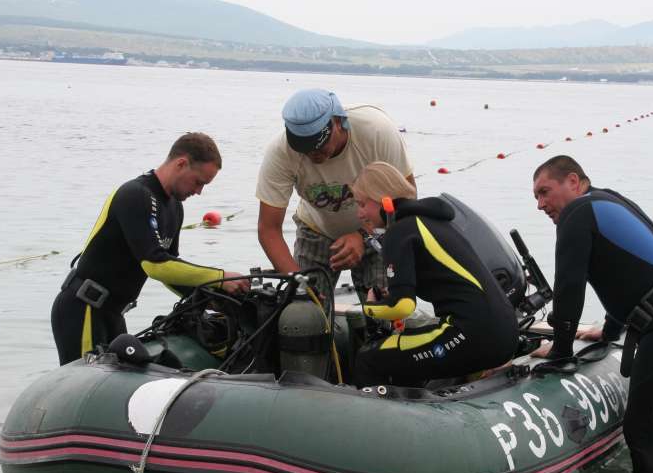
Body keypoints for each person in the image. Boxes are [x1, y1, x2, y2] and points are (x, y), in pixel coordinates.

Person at [531, 155, 653, 473]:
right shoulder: (603, 202)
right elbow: (625, 272)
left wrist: (561, 352)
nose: (540, 204)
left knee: (643, 435)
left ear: (574, 182)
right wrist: (608, 331)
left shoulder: (576, 213)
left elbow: (569, 286)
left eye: (544, 191)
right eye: (536, 196)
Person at [51, 132, 249, 365]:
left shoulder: (175, 208)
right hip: (83, 308)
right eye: (199, 182)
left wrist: (212, 299)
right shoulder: (135, 195)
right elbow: (155, 265)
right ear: (181, 163)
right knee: (81, 387)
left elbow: (171, 269)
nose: (198, 192)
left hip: (113, 313)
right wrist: (220, 277)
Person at [350, 162, 518, 387]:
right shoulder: (431, 221)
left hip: (469, 334)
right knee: (401, 352)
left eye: (362, 204)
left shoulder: (398, 232)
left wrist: (368, 308)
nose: (359, 214)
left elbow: (401, 307)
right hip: (505, 334)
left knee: (369, 358)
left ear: (382, 198)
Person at [256, 89, 414, 304]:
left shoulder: (376, 131)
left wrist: (364, 236)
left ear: (338, 122)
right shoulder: (281, 152)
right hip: (317, 230)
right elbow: (269, 229)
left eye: (319, 145)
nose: (313, 154)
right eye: (304, 149)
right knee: (304, 314)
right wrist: (300, 285)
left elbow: (408, 200)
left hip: (379, 229)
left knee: (385, 310)